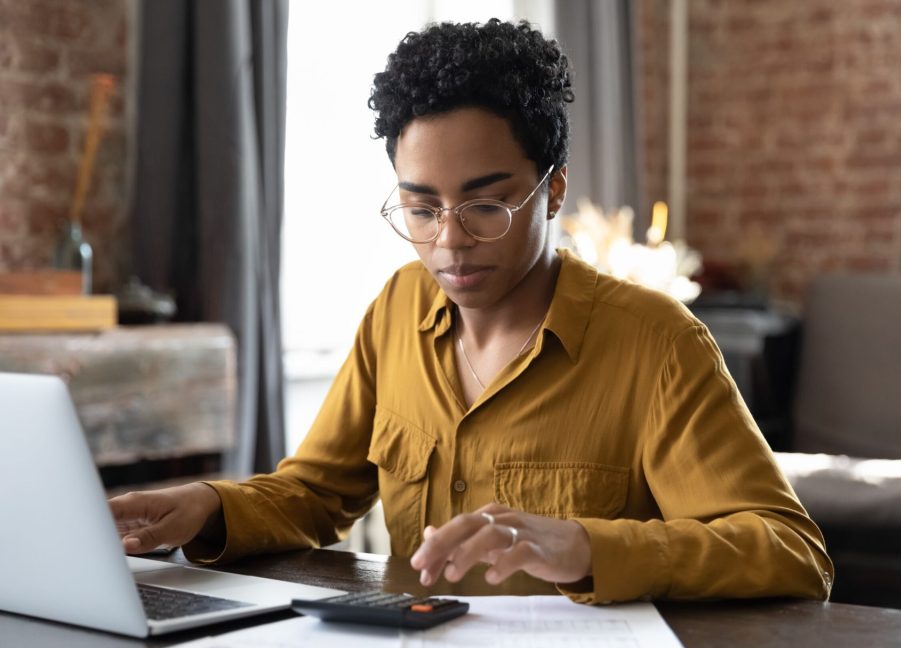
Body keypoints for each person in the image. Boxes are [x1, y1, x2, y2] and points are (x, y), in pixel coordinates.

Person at [109, 19, 833, 604]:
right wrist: (207, 503)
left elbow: (792, 550)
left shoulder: (658, 345)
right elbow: (315, 494)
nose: (449, 240)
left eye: (486, 204)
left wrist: (589, 547)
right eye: (420, 207)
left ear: (553, 191)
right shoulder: (397, 308)